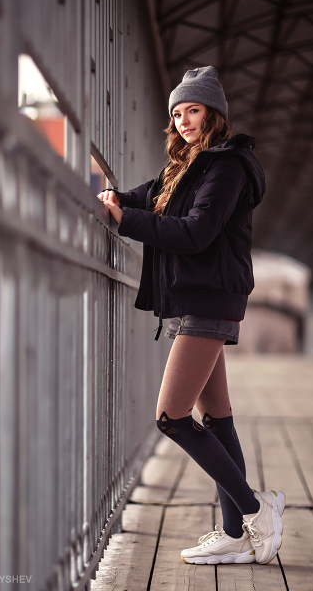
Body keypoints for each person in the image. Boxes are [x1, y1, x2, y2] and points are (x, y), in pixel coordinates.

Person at [97, 66, 285, 566]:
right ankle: (235, 534)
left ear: (213, 114)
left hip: (210, 298)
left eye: (193, 110)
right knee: (216, 420)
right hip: (191, 299)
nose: (183, 120)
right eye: (177, 112)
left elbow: (196, 234)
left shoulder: (226, 167)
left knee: (171, 417)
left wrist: (127, 220)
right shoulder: (182, 169)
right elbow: (137, 199)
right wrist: (107, 198)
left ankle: (256, 509)